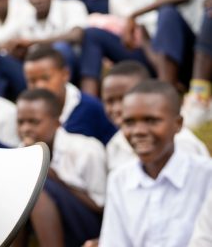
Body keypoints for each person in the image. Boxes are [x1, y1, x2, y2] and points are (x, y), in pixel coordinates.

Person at [99, 80, 212, 246]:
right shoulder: (119, 180)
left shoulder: (206, 175)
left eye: (152, 121)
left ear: (178, 124)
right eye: (129, 122)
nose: (139, 131)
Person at [17, 88, 107, 247]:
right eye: (21, 122)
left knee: (37, 187)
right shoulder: (22, 150)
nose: (25, 129)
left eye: (34, 122)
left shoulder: (86, 150)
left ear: (57, 122)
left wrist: (56, 179)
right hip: (52, 220)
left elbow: (102, 207)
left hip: (92, 226)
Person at [102, 61, 209, 172]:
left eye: (126, 98)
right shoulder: (114, 146)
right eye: (110, 101)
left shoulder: (180, 142)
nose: (118, 108)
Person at [24, 46, 117, 145]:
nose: (40, 86)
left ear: (65, 74)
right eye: (32, 81)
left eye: (45, 78)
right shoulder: (25, 114)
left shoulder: (92, 109)